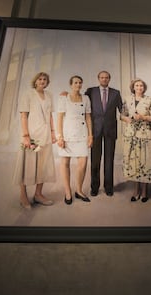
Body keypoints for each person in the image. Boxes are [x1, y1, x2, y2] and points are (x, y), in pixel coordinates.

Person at [13, 72, 56, 209]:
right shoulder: (28, 94)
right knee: (27, 164)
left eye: (45, 79)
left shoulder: (49, 95)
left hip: (46, 135)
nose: (42, 81)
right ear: (35, 81)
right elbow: (24, 116)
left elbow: (50, 116)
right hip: (31, 135)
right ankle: (23, 195)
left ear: (47, 82)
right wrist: (25, 135)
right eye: (40, 79)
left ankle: (38, 194)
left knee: (43, 166)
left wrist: (53, 132)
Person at [85, 71, 123, 197]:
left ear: (109, 79)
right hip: (95, 130)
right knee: (95, 160)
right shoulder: (91, 91)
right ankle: (94, 187)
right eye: (102, 77)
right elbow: (81, 102)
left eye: (106, 77)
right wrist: (66, 95)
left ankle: (109, 187)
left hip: (110, 130)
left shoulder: (116, 93)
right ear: (98, 78)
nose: (104, 79)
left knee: (109, 159)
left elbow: (123, 109)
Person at [57, 75, 93, 204]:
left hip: (82, 135)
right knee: (65, 163)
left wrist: (90, 135)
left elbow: (88, 118)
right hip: (67, 135)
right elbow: (59, 118)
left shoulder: (86, 98)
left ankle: (78, 190)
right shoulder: (64, 98)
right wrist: (59, 137)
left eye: (80, 83)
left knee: (82, 164)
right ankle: (68, 192)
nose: (78, 85)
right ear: (71, 84)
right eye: (76, 82)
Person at [120, 78, 151, 202]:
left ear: (144, 88)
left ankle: (144, 192)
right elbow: (122, 115)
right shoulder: (127, 99)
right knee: (134, 163)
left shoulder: (150, 100)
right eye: (137, 85)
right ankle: (136, 190)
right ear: (133, 87)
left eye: (141, 85)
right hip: (131, 136)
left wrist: (142, 117)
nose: (139, 87)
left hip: (145, 135)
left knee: (145, 162)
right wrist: (127, 119)